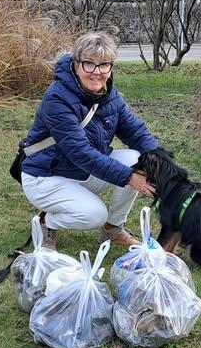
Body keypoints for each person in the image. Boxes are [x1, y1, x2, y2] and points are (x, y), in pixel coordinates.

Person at [19, 32, 159, 250]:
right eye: (89, 64)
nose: (97, 72)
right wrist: (129, 177)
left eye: (104, 65)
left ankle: (112, 228)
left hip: (80, 171)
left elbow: (135, 131)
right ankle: (47, 221)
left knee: (138, 159)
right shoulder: (57, 98)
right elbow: (80, 152)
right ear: (76, 66)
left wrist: (161, 163)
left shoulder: (110, 94)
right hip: (46, 176)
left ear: (111, 67)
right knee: (94, 214)